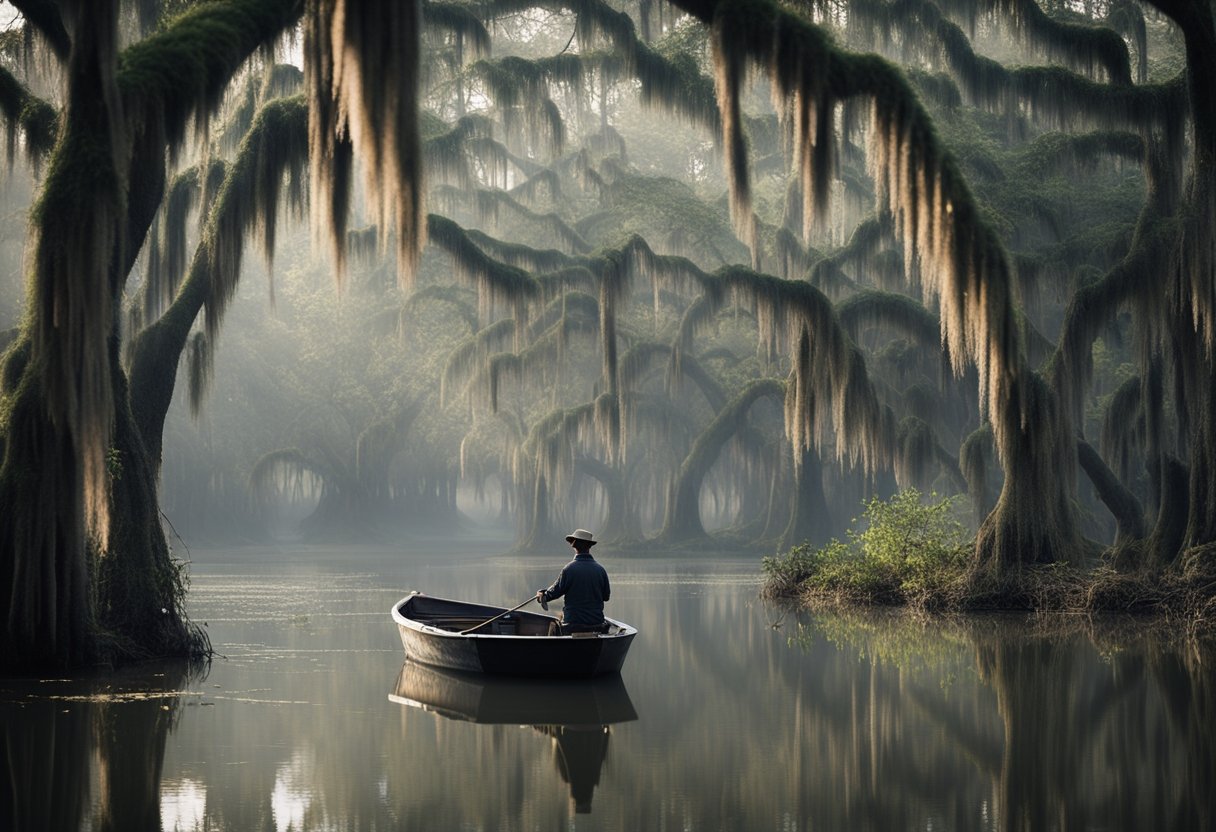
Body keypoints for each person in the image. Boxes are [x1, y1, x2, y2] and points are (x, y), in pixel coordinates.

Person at [537, 529, 611, 634]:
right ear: (589, 546)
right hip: (596, 624)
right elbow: (606, 597)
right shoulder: (600, 570)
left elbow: (554, 593)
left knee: (554, 627)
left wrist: (542, 595)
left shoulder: (568, 569)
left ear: (573, 545)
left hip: (572, 625)